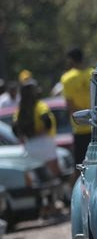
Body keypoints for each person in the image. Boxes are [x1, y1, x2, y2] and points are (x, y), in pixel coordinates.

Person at [13, 79, 61, 218]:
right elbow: (47, 122)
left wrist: (26, 136)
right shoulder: (40, 105)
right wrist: (41, 133)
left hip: (29, 145)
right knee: (53, 177)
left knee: (37, 180)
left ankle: (41, 208)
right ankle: (52, 206)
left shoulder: (19, 109)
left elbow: (15, 129)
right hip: (45, 142)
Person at [60, 48, 93, 168]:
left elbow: (69, 104)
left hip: (80, 128)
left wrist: (83, 117)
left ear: (71, 60)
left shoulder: (67, 78)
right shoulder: (92, 73)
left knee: (79, 166)